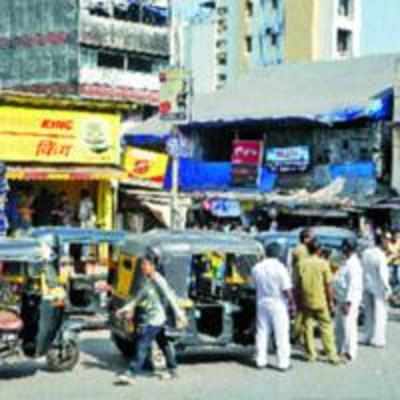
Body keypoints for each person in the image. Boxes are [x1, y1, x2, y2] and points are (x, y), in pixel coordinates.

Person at [115, 250, 188, 384]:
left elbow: (170, 296)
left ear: (153, 266)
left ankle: (131, 373)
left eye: (145, 264)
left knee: (142, 344)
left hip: (156, 319)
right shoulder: (147, 281)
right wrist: (124, 309)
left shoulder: (158, 280)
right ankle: (173, 369)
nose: (142, 266)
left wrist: (179, 314)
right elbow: (137, 299)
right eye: (142, 264)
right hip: (152, 318)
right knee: (163, 343)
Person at [252, 242, 295, 371]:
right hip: (278, 303)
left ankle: (260, 360)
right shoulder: (280, 268)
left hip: (262, 301)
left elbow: (254, 285)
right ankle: (283, 363)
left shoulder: (256, 268)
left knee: (262, 331)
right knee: (281, 333)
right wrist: (292, 304)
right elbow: (287, 290)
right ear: (278, 253)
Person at [297, 238, 340, 364]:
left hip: (306, 300)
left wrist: (298, 301)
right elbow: (328, 285)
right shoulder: (323, 264)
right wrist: (331, 301)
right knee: (326, 326)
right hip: (321, 300)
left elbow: (297, 284)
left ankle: (311, 354)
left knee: (308, 327)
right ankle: (332, 354)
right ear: (319, 250)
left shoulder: (302, 264)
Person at [333, 239, 363, 362]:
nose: (343, 250)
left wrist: (348, 303)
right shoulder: (345, 261)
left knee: (349, 326)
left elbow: (353, 286)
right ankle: (339, 348)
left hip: (348, 300)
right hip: (341, 297)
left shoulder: (354, 264)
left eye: (345, 248)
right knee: (339, 325)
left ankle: (349, 352)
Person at [361, 234, 391, 348]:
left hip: (367, 285)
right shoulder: (380, 255)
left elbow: (362, 269)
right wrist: (387, 288)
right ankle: (378, 339)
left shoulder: (365, 253)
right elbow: (383, 274)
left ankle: (367, 336)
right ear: (381, 242)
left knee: (368, 313)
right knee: (380, 313)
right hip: (378, 287)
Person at [291, 228, 312, 344]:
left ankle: (299, 335)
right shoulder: (302, 250)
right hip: (301, 284)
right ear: (305, 239)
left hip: (298, 282)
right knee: (302, 311)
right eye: (311, 237)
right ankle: (295, 334)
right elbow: (302, 269)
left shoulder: (300, 249)